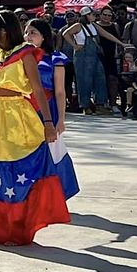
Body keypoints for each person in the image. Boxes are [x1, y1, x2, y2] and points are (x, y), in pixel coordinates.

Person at [0, 6, 67, 245]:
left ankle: (17, 228)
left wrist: (49, 122)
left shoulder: (26, 53)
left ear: (4, 31)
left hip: (18, 114)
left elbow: (38, 89)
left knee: (17, 170)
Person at [26, 18, 79, 200]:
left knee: (52, 151)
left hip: (48, 108)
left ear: (44, 36)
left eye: (33, 32)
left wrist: (61, 119)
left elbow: (60, 91)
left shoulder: (55, 59)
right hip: (24, 109)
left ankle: (57, 193)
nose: (28, 36)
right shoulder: (20, 57)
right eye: (26, 32)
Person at [63, 7, 121, 115]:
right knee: (84, 81)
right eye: (92, 14)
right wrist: (74, 46)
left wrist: (121, 43)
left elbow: (106, 34)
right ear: (86, 15)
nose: (94, 16)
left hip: (94, 56)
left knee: (100, 78)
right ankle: (85, 106)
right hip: (82, 57)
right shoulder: (78, 26)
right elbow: (65, 34)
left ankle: (100, 105)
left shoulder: (94, 25)